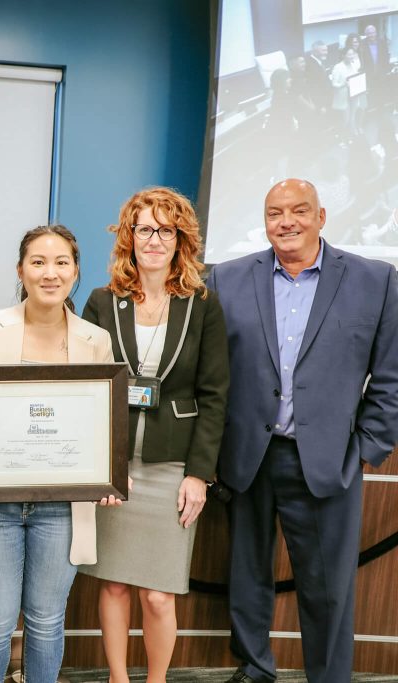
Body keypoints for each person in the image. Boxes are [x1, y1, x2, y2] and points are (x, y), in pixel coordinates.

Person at [207, 179, 398, 683]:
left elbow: (391, 374)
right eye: (275, 212)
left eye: (299, 210)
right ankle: (253, 669)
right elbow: (211, 371)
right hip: (247, 455)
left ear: (322, 216)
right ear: (264, 219)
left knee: (328, 587)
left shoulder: (374, 279)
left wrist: (365, 448)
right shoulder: (225, 278)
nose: (286, 221)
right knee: (247, 575)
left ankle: (329, 677)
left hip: (329, 459)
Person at [0, 225, 123, 683]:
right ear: (20, 270)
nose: (50, 273)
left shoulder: (95, 340)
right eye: (38, 262)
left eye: (61, 262)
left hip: (61, 506)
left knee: (45, 622)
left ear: (76, 271)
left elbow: (101, 421)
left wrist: (108, 472)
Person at [77, 188, 229, 683]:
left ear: (180, 238)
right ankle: (120, 680)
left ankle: (157, 680)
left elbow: (214, 396)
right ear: (130, 236)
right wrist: (103, 464)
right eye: (145, 228)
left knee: (159, 594)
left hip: (171, 468)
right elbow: (89, 390)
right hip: (116, 468)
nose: (155, 239)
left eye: (166, 229)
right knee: (116, 587)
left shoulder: (202, 305)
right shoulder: (103, 301)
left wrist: (199, 475)